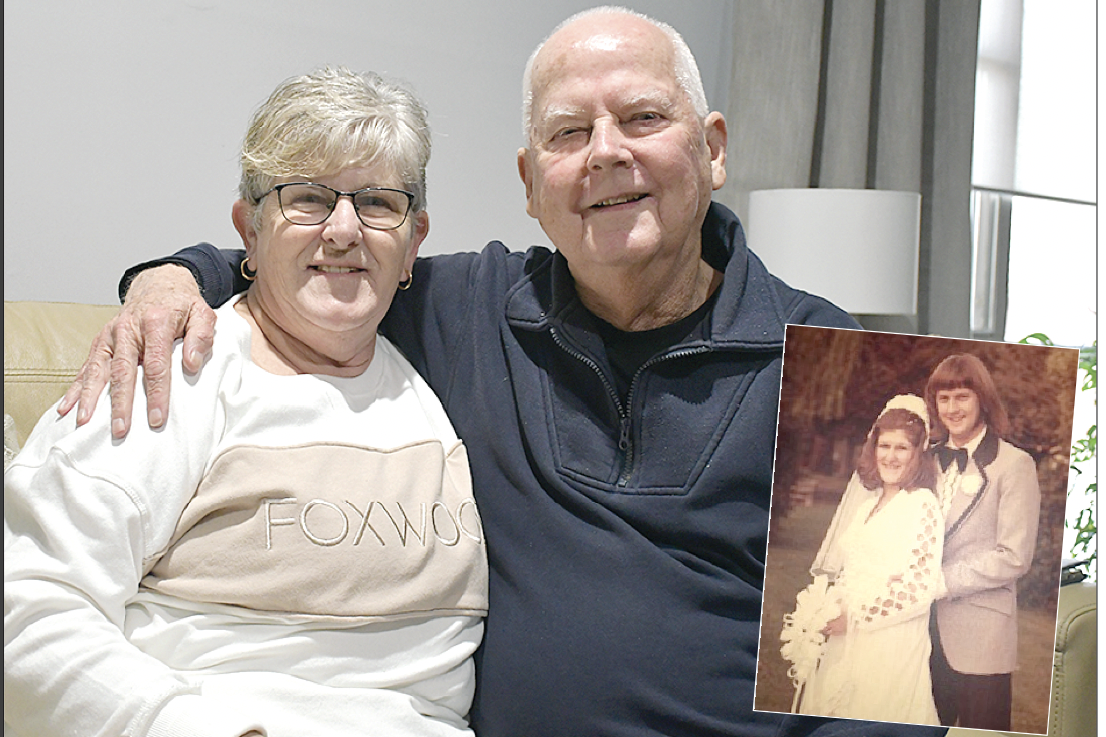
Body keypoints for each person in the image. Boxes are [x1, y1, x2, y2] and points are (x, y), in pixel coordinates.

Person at [59, 7, 945, 736]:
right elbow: (301, 257)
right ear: (529, 180)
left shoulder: (862, 367)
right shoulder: (469, 303)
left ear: (713, 147)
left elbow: (906, 694)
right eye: (568, 132)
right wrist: (166, 277)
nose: (605, 152)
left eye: (642, 117)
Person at [5, 67, 487, 737]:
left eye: (377, 202)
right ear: (249, 234)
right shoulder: (175, 366)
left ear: (414, 242)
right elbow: (25, 602)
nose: (344, 228)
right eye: (309, 198)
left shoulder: (448, 373)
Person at [791, 396, 943, 725]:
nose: (890, 456)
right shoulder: (865, 506)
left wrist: (856, 618)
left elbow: (920, 590)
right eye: (884, 445)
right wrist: (824, 609)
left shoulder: (922, 505)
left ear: (919, 453)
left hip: (888, 643)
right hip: (844, 639)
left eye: (901, 448)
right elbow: (851, 572)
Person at [924, 354, 1040, 731]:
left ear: (982, 399)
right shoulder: (926, 460)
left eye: (962, 397)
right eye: (944, 398)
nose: (952, 408)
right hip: (919, 631)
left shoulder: (1014, 464)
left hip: (981, 634)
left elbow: (1014, 555)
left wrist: (943, 581)